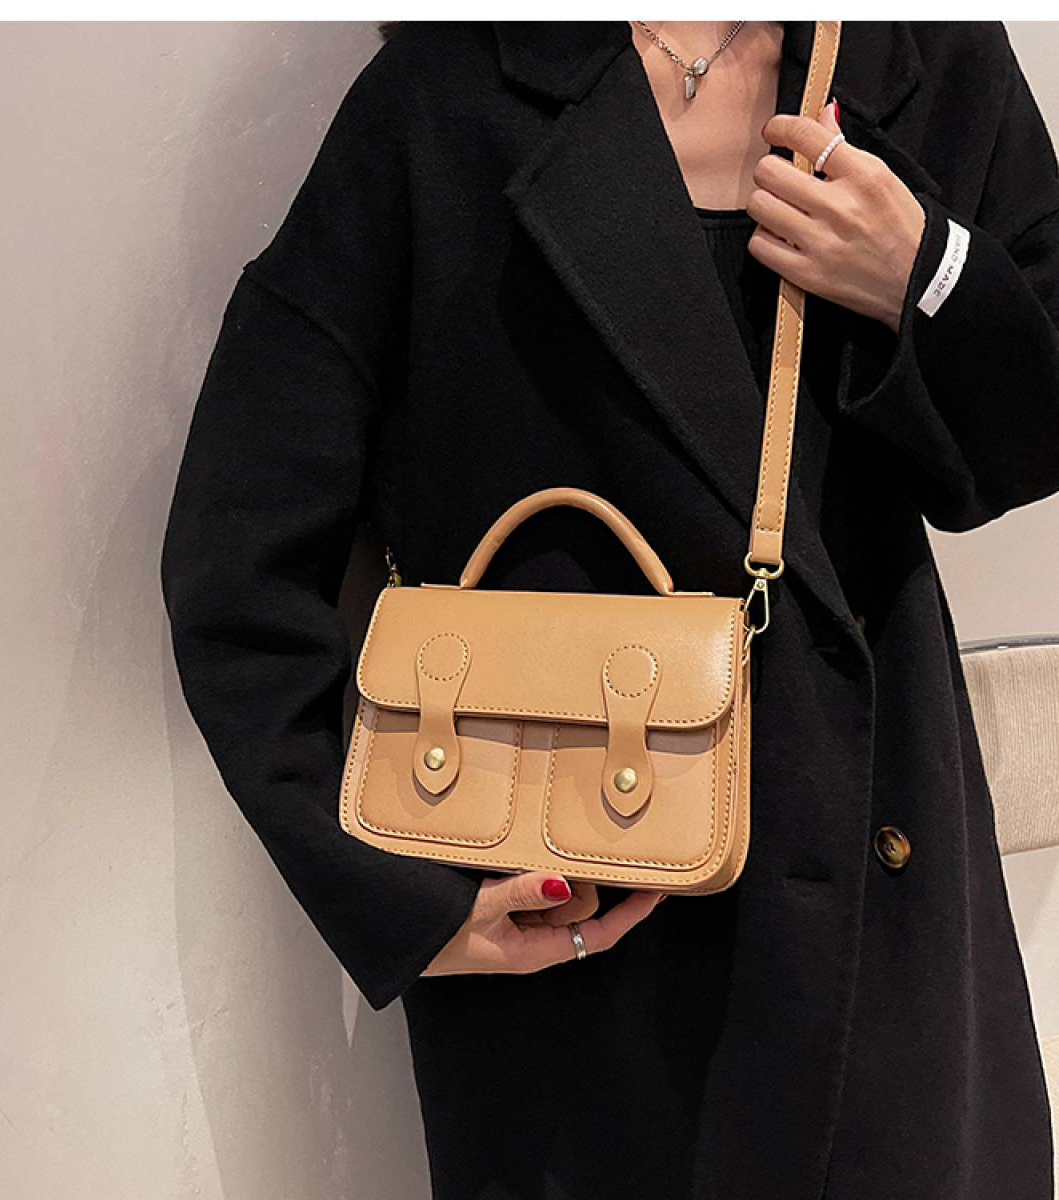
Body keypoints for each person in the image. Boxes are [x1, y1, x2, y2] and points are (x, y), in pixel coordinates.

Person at [160, 20, 1059, 1200]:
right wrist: (402, 905)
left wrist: (926, 274)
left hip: (888, 929)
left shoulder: (923, 58)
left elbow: (1029, 438)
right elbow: (238, 549)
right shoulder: (443, 103)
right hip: (587, 935)